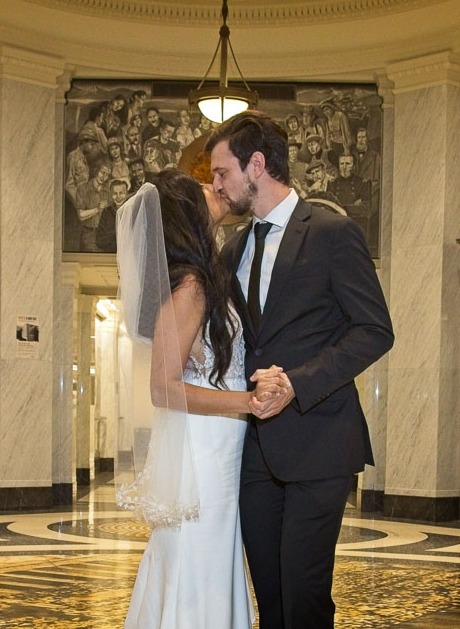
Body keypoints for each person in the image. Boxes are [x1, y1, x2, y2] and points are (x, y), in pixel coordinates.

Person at [206, 111, 394, 629]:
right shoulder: (235, 248)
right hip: (253, 451)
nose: (218, 184)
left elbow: (375, 330)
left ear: (257, 165)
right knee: (271, 595)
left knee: (305, 595)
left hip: (321, 441)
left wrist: (296, 382)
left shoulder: (334, 233)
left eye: (223, 172)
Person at [118, 169, 288, 629]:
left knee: (209, 558)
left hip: (219, 446)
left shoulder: (204, 278)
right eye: (201, 189)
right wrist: (247, 402)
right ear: (184, 214)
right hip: (203, 451)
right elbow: (163, 387)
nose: (214, 187)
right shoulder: (190, 286)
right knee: (200, 561)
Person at [95, 179, 130, 252]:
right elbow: (99, 241)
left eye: (121, 193)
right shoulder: (106, 212)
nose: (118, 196)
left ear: (127, 194)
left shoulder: (133, 211)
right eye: (115, 193)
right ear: (111, 195)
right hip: (110, 256)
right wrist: (116, 233)